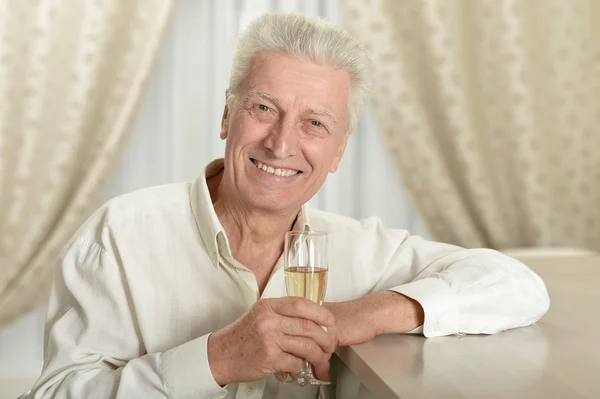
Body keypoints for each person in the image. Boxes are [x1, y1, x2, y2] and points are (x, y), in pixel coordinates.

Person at [29, 13, 549, 399]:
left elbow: (516, 286)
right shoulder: (120, 235)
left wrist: (362, 315)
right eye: (263, 108)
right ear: (226, 118)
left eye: (315, 124)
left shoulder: (360, 249)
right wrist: (214, 360)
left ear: (338, 152)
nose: (281, 143)